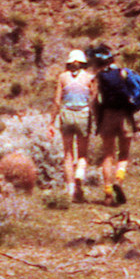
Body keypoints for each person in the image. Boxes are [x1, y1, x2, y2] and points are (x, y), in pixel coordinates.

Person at [88, 43, 133, 204]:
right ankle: (118, 181)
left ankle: (107, 194)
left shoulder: (97, 78)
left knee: (108, 155)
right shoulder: (123, 73)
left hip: (107, 116)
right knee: (124, 154)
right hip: (124, 117)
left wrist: (97, 119)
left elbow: (93, 101)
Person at [50, 48, 93, 200]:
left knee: (67, 153)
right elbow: (93, 100)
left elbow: (57, 101)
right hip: (83, 115)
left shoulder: (62, 77)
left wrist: (51, 121)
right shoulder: (89, 78)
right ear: (83, 63)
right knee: (82, 153)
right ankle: (79, 174)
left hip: (66, 115)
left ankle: (70, 189)